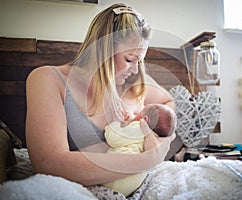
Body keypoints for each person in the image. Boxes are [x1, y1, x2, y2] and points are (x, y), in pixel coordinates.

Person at [25, 2, 176, 193]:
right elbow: (48, 164)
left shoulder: (133, 86)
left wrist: (156, 137)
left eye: (140, 60)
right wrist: (148, 159)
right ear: (101, 50)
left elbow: (168, 102)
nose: (136, 69)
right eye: (129, 59)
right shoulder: (48, 79)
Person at [102, 104, 177, 196]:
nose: (134, 115)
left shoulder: (139, 128)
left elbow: (113, 138)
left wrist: (115, 122)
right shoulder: (155, 138)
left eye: (138, 113)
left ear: (144, 119)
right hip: (130, 186)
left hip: (113, 181)